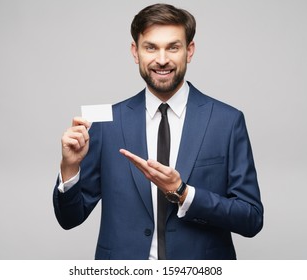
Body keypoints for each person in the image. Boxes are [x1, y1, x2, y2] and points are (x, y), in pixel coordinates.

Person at [53, 3, 263, 260]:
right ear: (135, 51)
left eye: (173, 47)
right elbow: (69, 218)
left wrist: (184, 192)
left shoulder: (227, 121)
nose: (162, 60)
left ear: (190, 50)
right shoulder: (106, 124)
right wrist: (70, 168)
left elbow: (251, 218)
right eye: (150, 47)